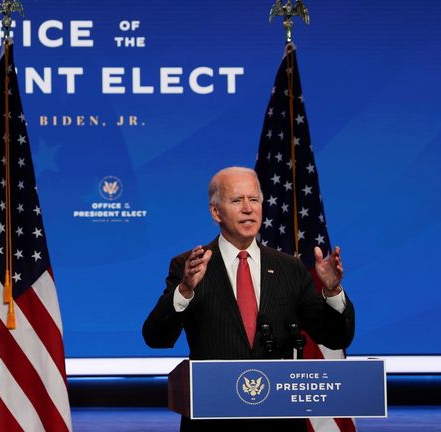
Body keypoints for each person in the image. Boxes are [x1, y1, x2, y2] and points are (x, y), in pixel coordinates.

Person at [143, 166, 355, 432]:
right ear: (215, 212)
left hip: (278, 422)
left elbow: (336, 337)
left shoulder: (289, 268)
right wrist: (185, 290)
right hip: (213, 421)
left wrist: (333, 292)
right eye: (236, 200)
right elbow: (156, 338)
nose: (248, 208)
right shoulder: (190, 266)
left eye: (254, 200)